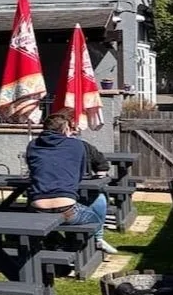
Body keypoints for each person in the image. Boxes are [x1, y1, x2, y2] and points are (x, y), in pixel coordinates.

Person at [25, 109, 118, 254]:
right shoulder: (77, 145)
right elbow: (80, 173)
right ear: (66, 129)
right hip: (67, 209)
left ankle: (56, 243)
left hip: (37, 208)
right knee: (95, 220)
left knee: (43, 220)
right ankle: (91, 243)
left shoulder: (32, 145)